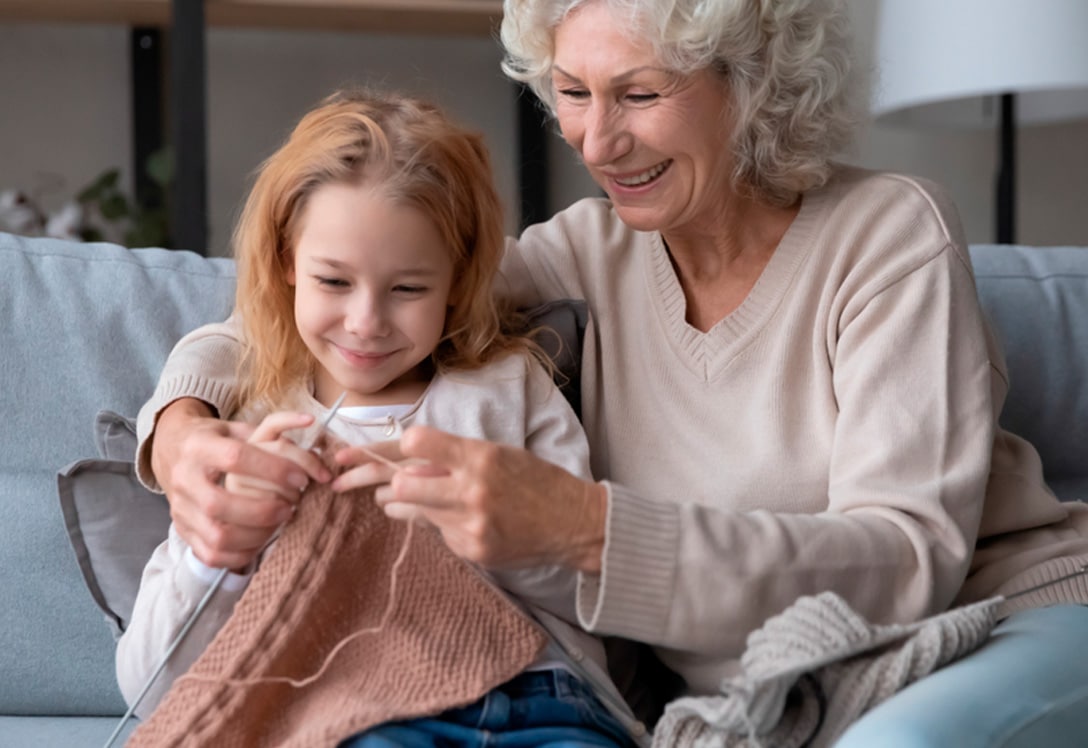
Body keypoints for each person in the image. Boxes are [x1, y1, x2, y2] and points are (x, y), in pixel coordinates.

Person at [135, 1, 1088, 745]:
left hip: (992, 623)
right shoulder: (588, 251)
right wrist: (181, 429)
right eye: (573, 93)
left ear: (753, 82)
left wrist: (584, 530)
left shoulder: (889, 236)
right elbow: (329, 306)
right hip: (773, 683)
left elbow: (904, 565)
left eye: (638, 94)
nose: (596, 142)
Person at [117, 88, 643, 748]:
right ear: (286, 263)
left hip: (540, 696)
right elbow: (148, 688)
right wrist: (219, 557)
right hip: (355, 708)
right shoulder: (251, 429)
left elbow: (588, 591)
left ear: (458, 279)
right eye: (334, 282)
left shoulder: (508, 389)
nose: (366, 322)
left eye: (408, 289)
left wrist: (467, 518)